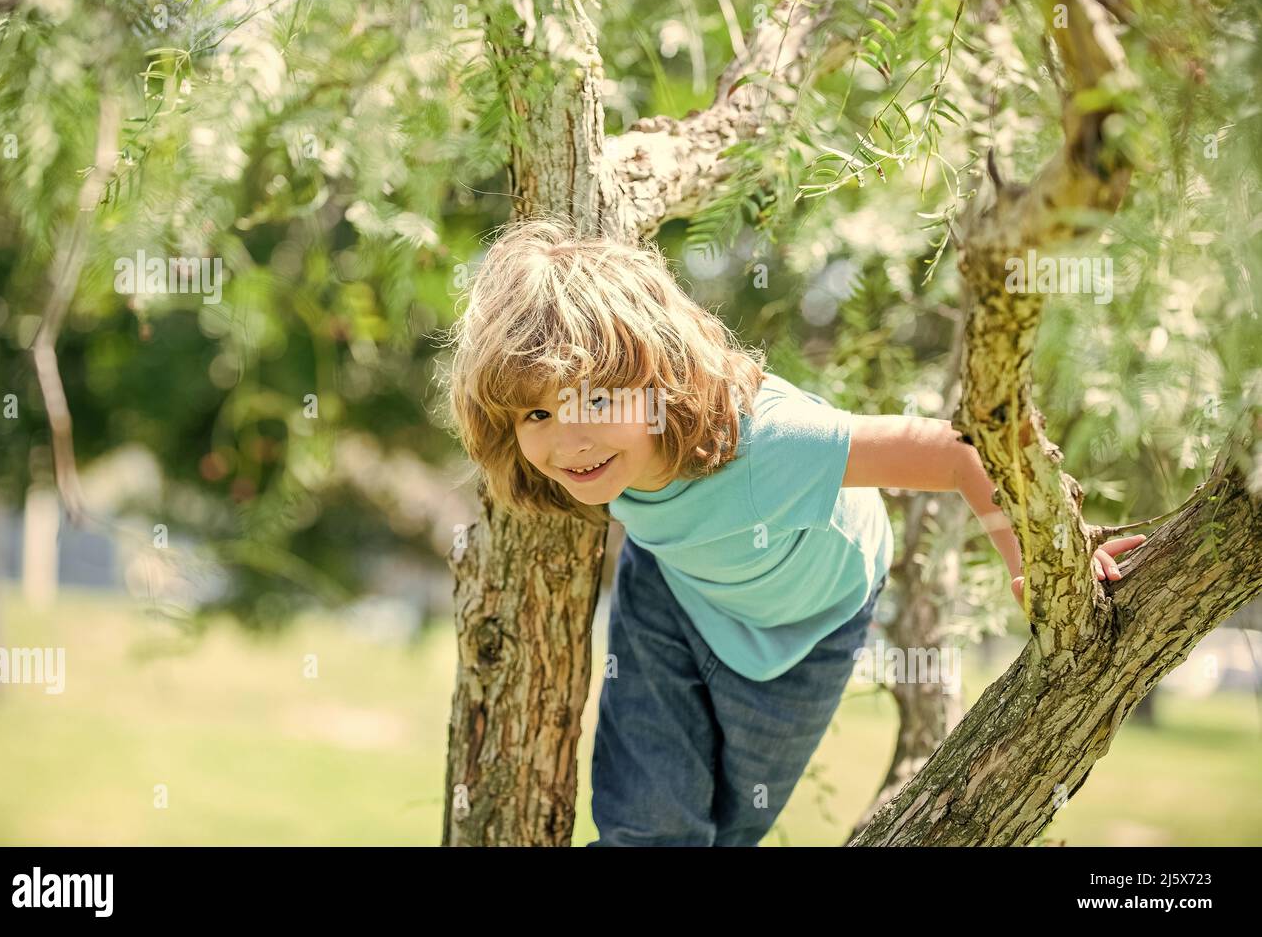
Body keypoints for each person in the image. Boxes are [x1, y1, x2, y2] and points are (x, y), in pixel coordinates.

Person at [443, 215, 1144, 846]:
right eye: (537, 415)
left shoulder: (771, 443)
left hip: (807, 626)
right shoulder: (587, 463)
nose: (568, 441)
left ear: (658, 376)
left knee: (733, 823)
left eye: (594, 399)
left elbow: (960, 451)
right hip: (673, 589)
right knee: (649, 825)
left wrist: (1039, 561)